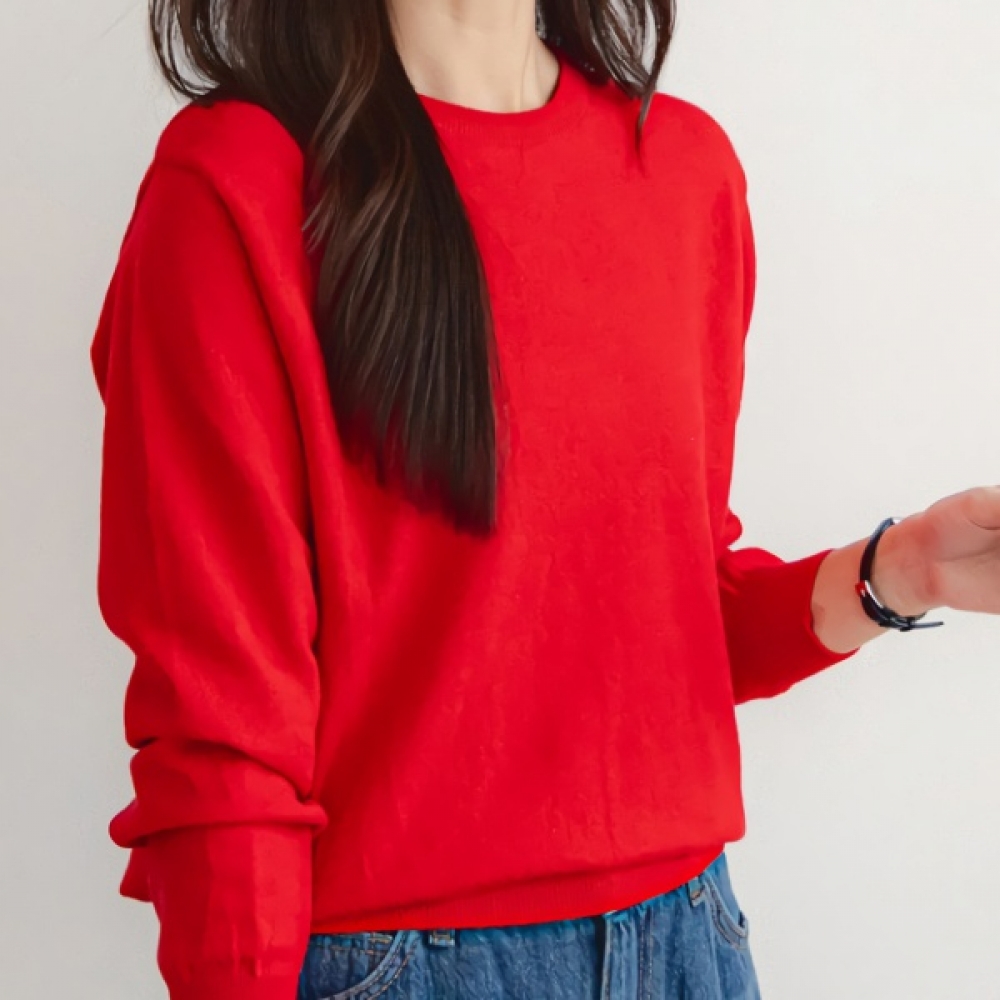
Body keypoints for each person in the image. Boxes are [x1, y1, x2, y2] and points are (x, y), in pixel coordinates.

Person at [88, 1, 1000, 998]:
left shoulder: (682, 169)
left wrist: (899, 572)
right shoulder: (237, 185)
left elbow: (667, 620)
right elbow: (221, 708)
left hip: (689, 935)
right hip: (399, 964)